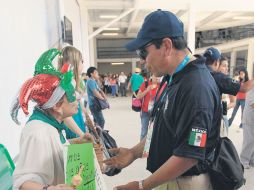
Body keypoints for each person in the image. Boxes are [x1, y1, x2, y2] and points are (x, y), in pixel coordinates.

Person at [104, 9, 221, 190]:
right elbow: (161, 128)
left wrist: (142, 186)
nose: (142, 61)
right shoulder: (173, 78)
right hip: (171, 178)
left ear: (166, 46)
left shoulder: (196, 88)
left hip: (186, 182)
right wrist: (133, 153)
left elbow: (189, 155)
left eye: (143, 53)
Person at [11, 49, 92, 190]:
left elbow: (51, 151)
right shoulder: (38, 132)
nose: (77, 99)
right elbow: (24, 182)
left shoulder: (52, 125)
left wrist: (76, 141)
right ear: (57, 106)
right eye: (71, 95)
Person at [58, 46, 87, 139]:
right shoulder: (67, 83)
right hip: (72, 123)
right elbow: (64, 115)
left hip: (76, 118)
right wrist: (81, 134)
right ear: (73, 62)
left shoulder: (71, 80)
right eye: (81, 61)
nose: (83, 65)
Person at [136, 75, 159, 141]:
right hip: (145, 111)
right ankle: (141, 150)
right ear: (152, 76)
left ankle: (151, 149)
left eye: (159, 76)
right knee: (144, 132)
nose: (157, 78)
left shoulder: (162, 85)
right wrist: (147, 90)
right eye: (156, 76)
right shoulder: (145, 84)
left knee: (155, 132)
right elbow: (138, 97)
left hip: (156, 112)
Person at [240, 87, 254, 169]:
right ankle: (243, 160)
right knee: (248, 140)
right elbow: (253, 104)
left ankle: (252, 159)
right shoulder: (251, 87)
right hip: (249, 120)